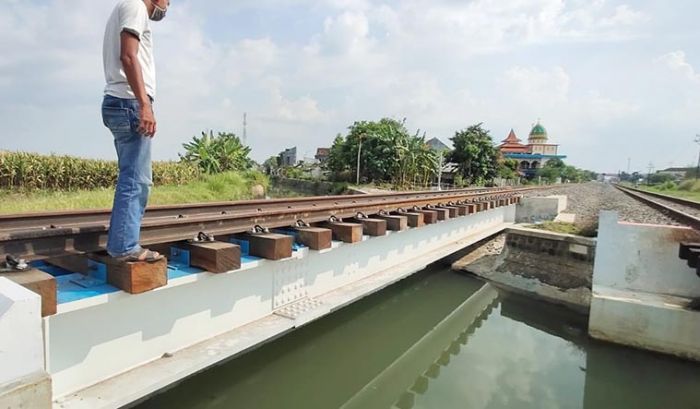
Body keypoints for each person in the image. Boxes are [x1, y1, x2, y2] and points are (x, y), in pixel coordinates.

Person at [101, 0, 170, 262]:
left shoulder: (125, 7)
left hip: (118, 100)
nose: (167, 6)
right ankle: (124, 247)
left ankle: (122, 242)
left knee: (131, 176)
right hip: (128, 101)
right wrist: (144, 105)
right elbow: (128, 56)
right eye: (168, 1)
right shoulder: (135, 6)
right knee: (137, 179)